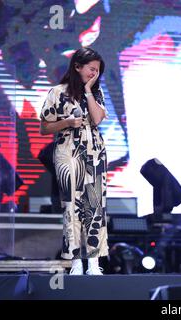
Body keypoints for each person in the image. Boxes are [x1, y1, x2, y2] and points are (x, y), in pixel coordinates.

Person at [39, 47, 109, 275]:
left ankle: (93, 261)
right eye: (91, 69)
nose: (94, 73)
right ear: (77, 66)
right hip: (68, 149)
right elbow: (44, 127)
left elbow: (97, 119)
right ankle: (76, 261)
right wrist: (67, 122)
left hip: (95, 150)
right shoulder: (57, 92)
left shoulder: (96, 93)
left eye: (97, 70)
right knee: (72, 206)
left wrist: (88, 90)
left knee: (95, 205)